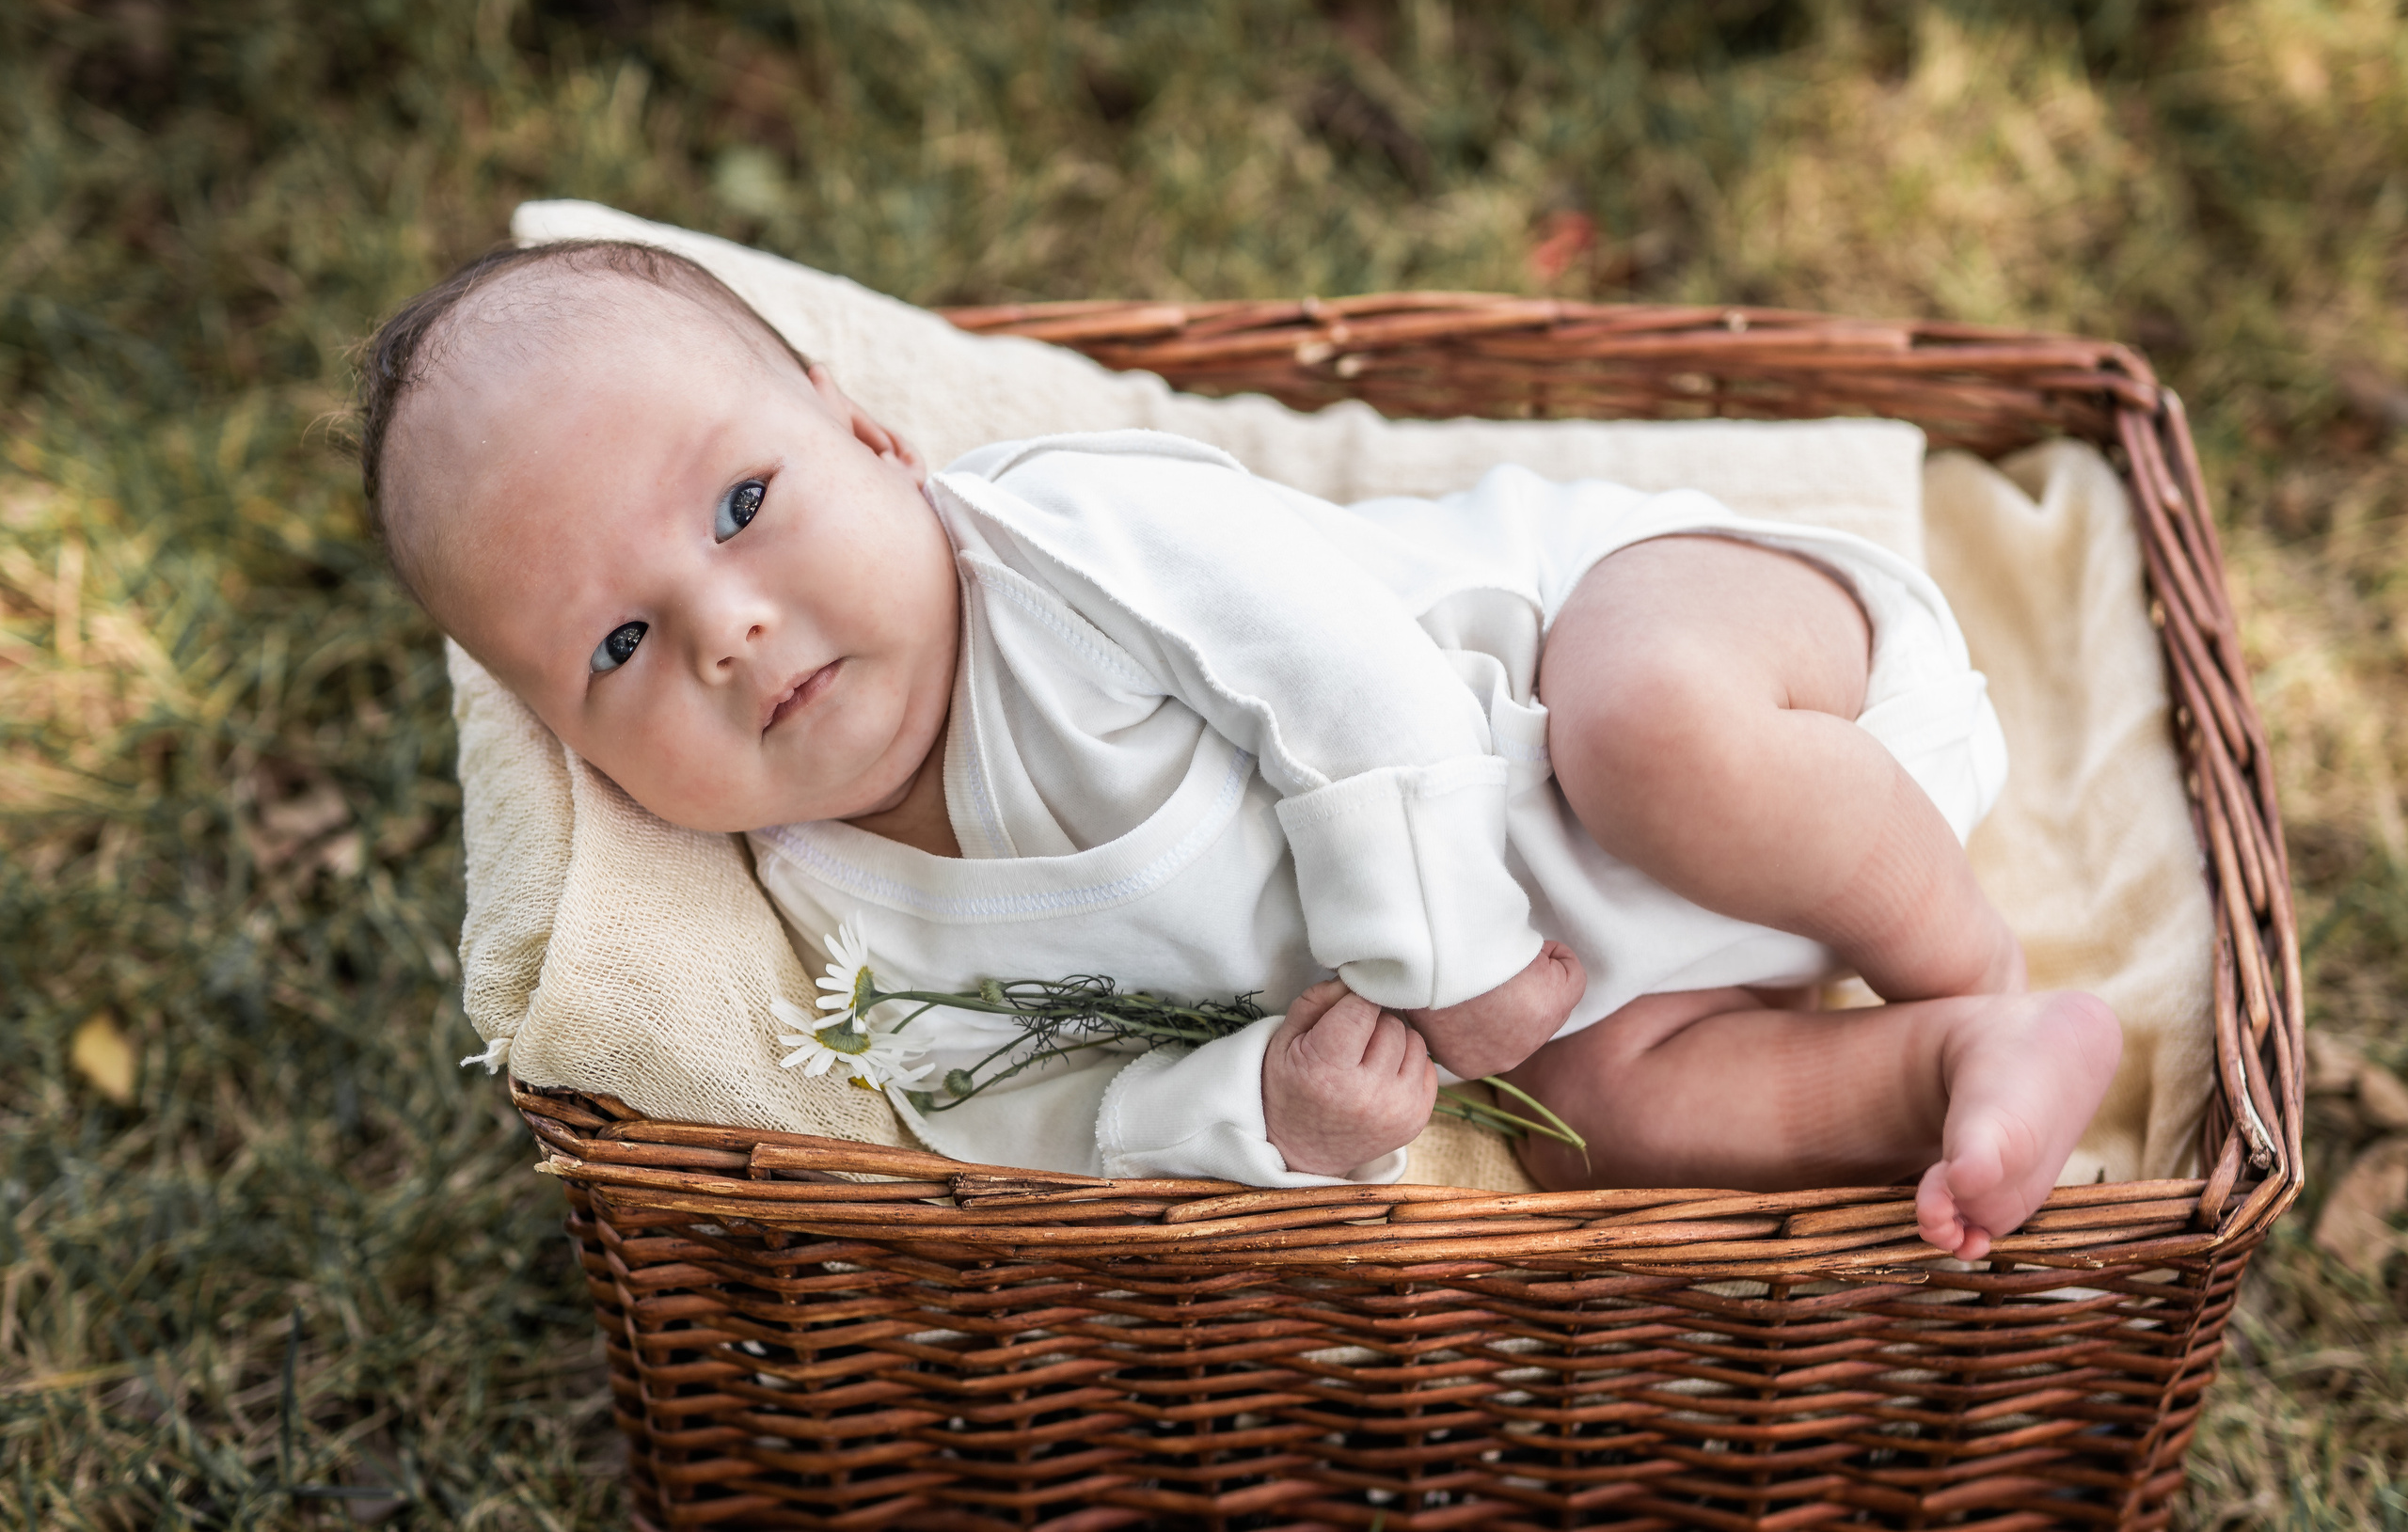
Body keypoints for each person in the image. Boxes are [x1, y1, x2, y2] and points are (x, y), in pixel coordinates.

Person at [357, 239, 2121, 1262]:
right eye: (617, 646)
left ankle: (1954, 951)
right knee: (1607, 1129)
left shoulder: (1059, 541)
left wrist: (1454, 959)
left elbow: (1339, 675)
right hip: (1617, 987)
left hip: (1684, 670)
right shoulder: (843, 927)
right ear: (569, 744)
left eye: (744, 504)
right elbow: (1021, 1118)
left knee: (1645, 733)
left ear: (872, 434)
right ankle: (1970, 1061)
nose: (726, 630)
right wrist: (1262, 1113)